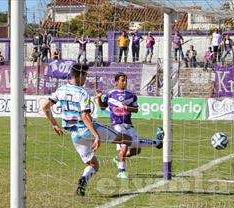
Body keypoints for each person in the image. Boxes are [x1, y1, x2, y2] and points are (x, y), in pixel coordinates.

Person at [42, 64, 164, 196]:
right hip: (89, 129)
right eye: (85, 76)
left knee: (94, 164)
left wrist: (54, 124)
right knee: (127, 140)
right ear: (80, 76)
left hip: (75, 135)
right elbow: (85, 116)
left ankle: (83, 180)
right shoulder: (82, 92)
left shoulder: (61, 90)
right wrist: (96, 136)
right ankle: (156, 142)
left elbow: (45, 106)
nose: (85, 79)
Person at [96, 72, 164, 179]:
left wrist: (127, 108)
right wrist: (99, 98)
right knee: (124, 145)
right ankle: (121, 171)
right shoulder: (110, 94)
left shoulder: (131, 95)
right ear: (116, 81)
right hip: (117, 125)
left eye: (125, 80)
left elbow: (136, 109)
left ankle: (118, 158)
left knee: (137, 149)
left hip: (128, 125)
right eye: (122, 80)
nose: (124, 82)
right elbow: (102, 107)